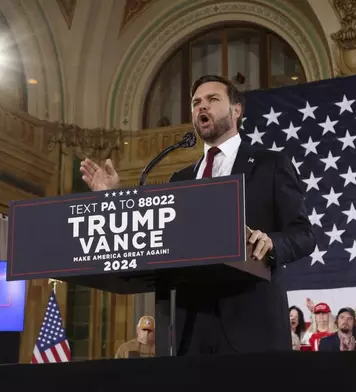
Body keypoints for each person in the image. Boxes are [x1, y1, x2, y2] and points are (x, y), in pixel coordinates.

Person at [80, 74, 315, 354]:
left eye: (213, 100)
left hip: (252, 326)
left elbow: (304, 234)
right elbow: (154, 235)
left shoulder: (270, 164)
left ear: (236, 110)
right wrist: (113, 199)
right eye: (196, 102)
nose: (202, 107)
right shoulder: (180, 179)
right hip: (192, 331)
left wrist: (273, 243)